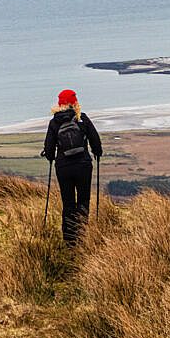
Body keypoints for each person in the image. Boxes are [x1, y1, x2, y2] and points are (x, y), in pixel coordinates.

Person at [42, 89, 103, 246]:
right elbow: (95, 140)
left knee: (68, 202)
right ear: (75, 102)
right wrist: (97, 153)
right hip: (83, 165)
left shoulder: (54, 122)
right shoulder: (81, 119)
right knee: (83, 200)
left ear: (59, 104)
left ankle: (69, 240)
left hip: (64, 168)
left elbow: (49, 150)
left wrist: (51, 157)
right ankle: (82, 235)